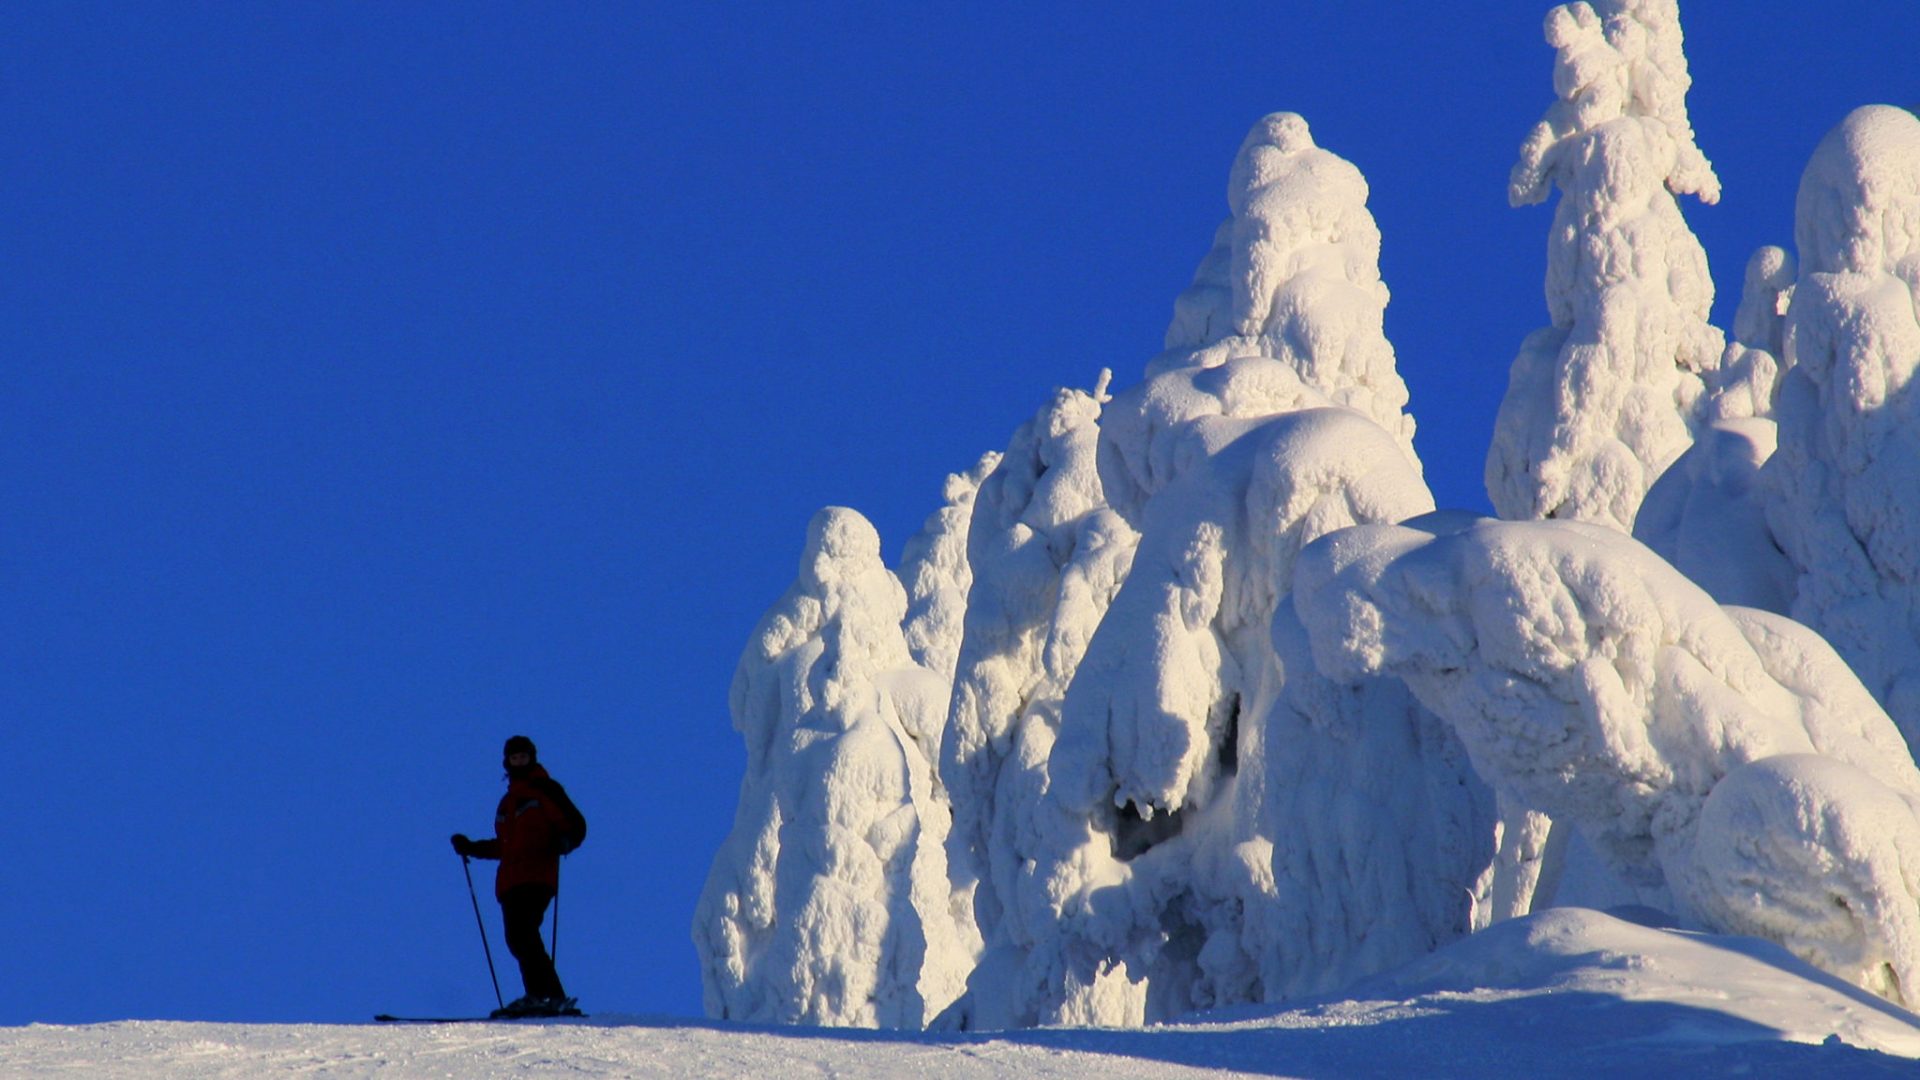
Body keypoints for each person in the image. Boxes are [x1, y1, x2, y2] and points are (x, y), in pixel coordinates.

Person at [451, 735, 587, 1017]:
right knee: (518, 938)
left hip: (537, 875)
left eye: (524, 756)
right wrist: (471, 847)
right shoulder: (507, 803)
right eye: (515, 758)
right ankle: (544, 996)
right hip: (510, 882)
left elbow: (575, 824)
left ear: (532, 758)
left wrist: (565, 841)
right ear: (507, 761)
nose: (519, 761)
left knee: (522, 934)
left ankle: (545, 996)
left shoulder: (545, 789)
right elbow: (505, 846)